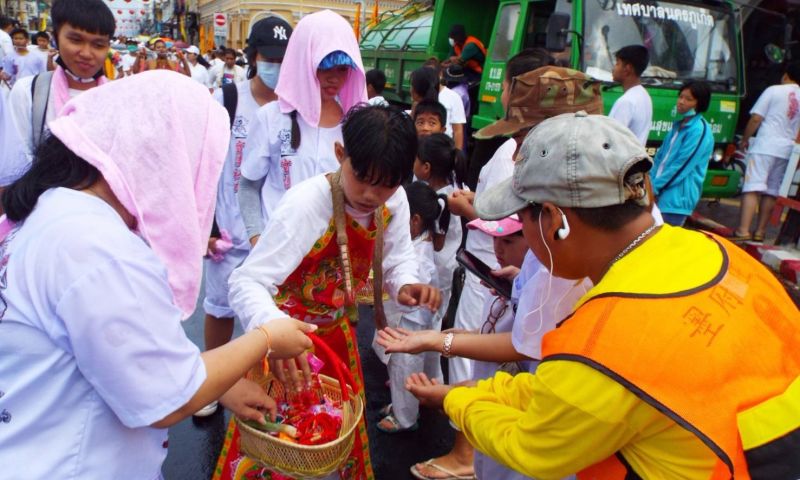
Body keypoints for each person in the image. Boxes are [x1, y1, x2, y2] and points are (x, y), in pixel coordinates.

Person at [406, 111, 800, 479]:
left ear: (555, 220)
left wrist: (455, 401)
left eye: (521, 220)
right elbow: (562, 391)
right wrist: (467, 390)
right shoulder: (718, 252)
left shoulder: (603, 340)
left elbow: (530, 445)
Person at [0, 70, 318, 480]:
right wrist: (266, 337)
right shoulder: (99, 248)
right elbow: (166, 398)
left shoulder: (57, 212)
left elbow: (129, 356)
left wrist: (220, 385)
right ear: (156, 154)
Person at [218, 104, 441, 480]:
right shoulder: (307, 203)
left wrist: (405, 284)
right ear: (341, 155)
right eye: (362, 178)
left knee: (332, 442)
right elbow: (247, 281)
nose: (371, 194)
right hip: (284, 343)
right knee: (279, 443)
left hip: (337, 337)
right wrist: (273, 332)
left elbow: (399, 257)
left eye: (385, 183)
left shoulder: (396, 200)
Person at [195, 15, 293, 418]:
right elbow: (204, 165)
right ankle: (211, 385)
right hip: (230, 230)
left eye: (285, 60)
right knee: (220, 308)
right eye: (269, 58)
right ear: (253, 56)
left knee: (269, 318)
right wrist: (206, 227)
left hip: (276, 235)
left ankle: (261, 384)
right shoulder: (229, 99)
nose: (277, 67)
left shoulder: (294, 106)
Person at [237, 9, 367, 244]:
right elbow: (248, 187)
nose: (334, 78)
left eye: (342, 69)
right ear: (303, 63)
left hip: (328, 262)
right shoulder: (270, 118)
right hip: (276, 256)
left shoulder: (355, 126)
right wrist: (257, 239)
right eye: (324, 67)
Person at [2, 0, 115, 187]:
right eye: (76, 40)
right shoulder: (30, 91)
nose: (87, 53)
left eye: (98, 44)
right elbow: (17, 163)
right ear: (56, 37)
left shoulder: (117, 96)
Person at [375, 181, 442, 434]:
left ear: (413, 220)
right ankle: (419, 400)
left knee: (404, 368)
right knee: (417, 366)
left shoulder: (419, 254)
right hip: (416, 320)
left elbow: (407, 287)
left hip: (409, 323)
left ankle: (405, 418)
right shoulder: (421, 244)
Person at [734, 63, 800, 242]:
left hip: (765, 145)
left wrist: (745, 139)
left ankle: (743, 230)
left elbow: (756, 118)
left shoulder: (774, 90)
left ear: (785, 76)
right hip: (786, 150)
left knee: (752, 187)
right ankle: (760, 232)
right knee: (771, 190)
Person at [413, 133, 467, 325]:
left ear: (426, 168)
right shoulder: (454, 186)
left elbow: (437, 244)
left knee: (429, 315)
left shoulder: (437, 201)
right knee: (435, 312)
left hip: (438, 268)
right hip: (447, 263)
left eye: (415, 160)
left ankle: (431, 348)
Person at [651, 81, 714, 227]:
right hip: (658, 193)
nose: (681, 102)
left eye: (688, 99)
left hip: (675, 200)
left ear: (699, 104)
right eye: (680, 97)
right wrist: (650, 183)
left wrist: (654, 188)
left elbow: (680, 167)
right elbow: (660, 158)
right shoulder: (677, 126)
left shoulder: (699, 130)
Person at [608, 45, 652, 145]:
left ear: (627, 69)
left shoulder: (626, 101)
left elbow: (611, 140)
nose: (613, 68)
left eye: (617, 64)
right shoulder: (644, 96)